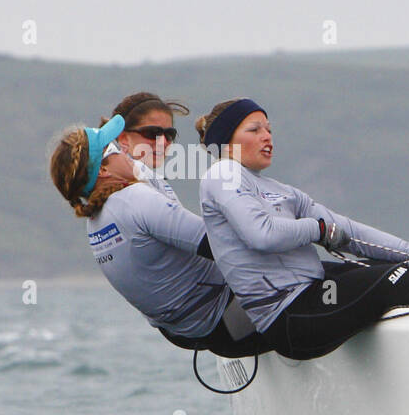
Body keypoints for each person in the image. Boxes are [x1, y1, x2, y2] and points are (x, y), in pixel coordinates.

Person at [196, 98, 409, 361]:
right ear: (226, 141)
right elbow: (261, 235)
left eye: (269, 129)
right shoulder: (222, 173)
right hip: (291, 319)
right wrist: (317, 229)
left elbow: (345, 229)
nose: (268, 137)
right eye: (255, 130)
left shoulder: (280, 190)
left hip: (312, 298)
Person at [48, 115, 267, 357]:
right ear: (102, 169)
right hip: (228, 323)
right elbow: (218, 245)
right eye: (114, 149)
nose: (126, 153)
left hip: (193, 334)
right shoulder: (133, 200)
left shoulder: (96, 221)